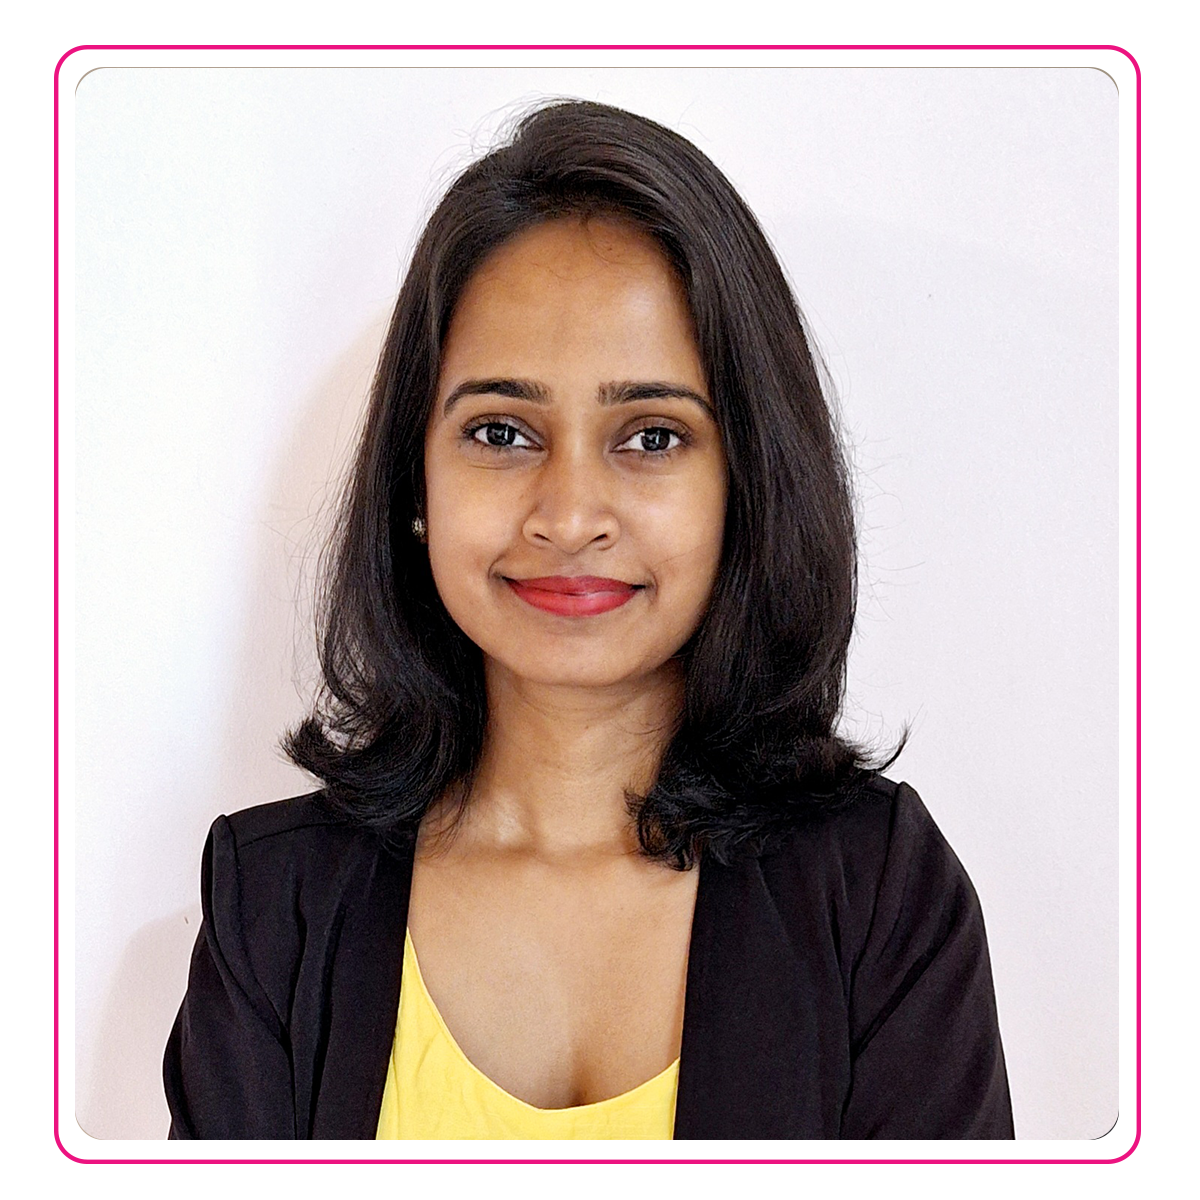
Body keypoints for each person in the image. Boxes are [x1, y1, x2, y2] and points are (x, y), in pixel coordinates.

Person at [163, 99, 1014, 1142]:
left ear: (746, 481)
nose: (568, 517)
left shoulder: (879, 895)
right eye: (502, 432)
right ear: (414, 480)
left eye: (651, 437)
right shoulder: (274, 904)